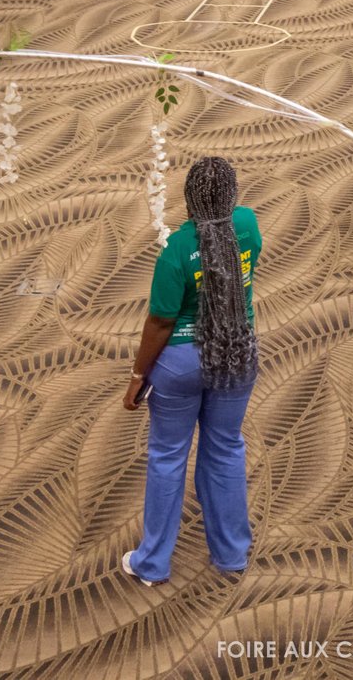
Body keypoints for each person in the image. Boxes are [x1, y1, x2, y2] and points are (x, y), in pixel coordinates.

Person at [122, 156, 261, 583]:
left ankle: (153, 563)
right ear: (233, 195)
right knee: (225, 449)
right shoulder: (248, 225)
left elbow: (161, 321)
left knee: (167, 457)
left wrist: (136, 377)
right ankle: (232, 554)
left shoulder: (177, 250)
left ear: (189, 200)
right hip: (237, 354)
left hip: (181, 365)